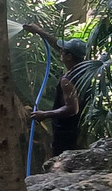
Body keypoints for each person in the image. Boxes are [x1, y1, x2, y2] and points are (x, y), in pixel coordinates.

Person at [22, 23, 88, 156]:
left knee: (61, 164)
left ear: (69, 56)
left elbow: (72, 109)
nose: (60, 51)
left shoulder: (67, 80)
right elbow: (58, 46)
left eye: (64, 51)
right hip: (80, 129)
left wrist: (45, 114)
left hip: (65, 132)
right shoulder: (86, 69)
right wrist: (39, 31)